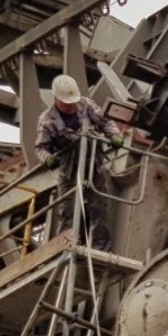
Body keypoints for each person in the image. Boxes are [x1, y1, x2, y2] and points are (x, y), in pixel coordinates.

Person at [35, 74, 123, 250]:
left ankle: (100, 248)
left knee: (98, 207)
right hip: (68, 171)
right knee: (67, 210)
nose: (71, 106)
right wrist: (48, 159)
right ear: (56, 99)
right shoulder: (47, 120)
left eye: (72, 102)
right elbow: (41, 148)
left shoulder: (86, 105)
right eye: (67, 103)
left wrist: (115, 135)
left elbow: (105, 122)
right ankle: (66, 247)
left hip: (93, 165)